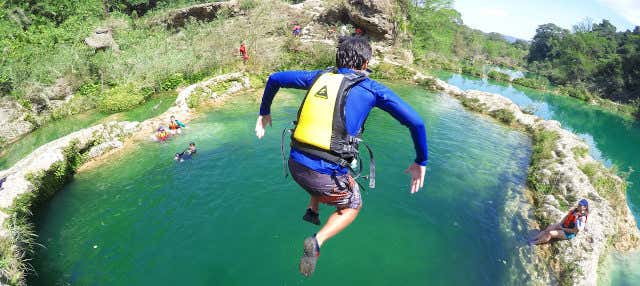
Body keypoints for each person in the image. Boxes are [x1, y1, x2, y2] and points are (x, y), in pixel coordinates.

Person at [254, 36, 428, 277]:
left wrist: (264, 112)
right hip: (323, 177)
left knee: (333, 166)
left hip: (294, 165)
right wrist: (421, 161)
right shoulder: (371, 88)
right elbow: (417, 123)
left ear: (337, 58)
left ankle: (312, 209)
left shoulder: (317, 77)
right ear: (365, 64)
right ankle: (317, 241)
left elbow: (274, 78)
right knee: (353, 202)